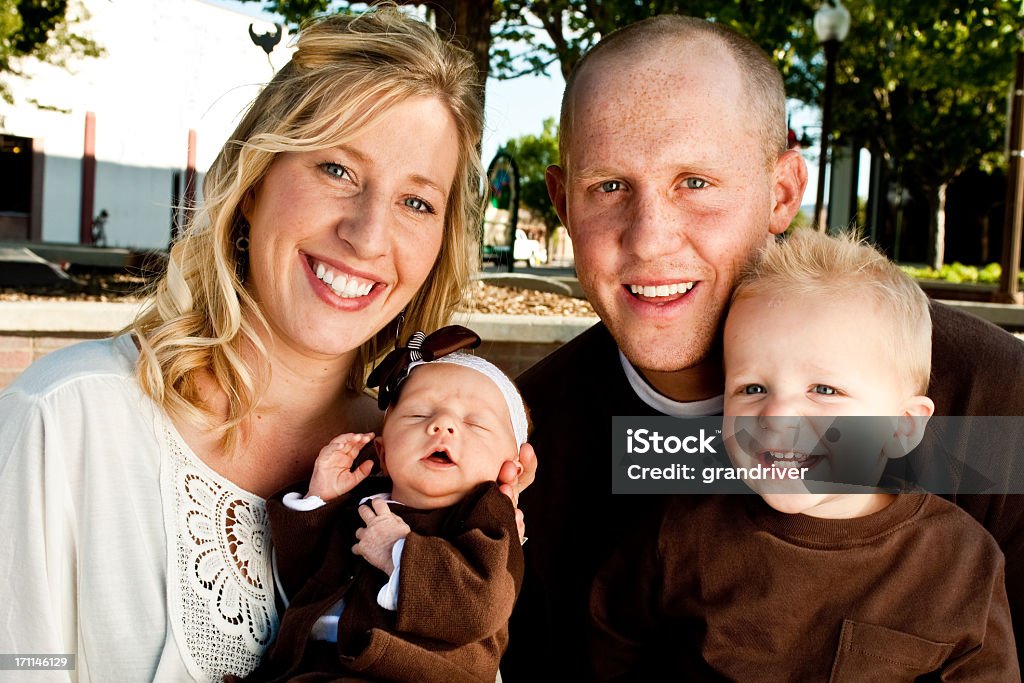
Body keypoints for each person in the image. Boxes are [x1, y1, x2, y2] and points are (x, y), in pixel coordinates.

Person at [0, 8, 532, 682]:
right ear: (254, 182)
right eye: (337, 169)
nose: (368, 236)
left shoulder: (436, 472)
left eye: (416, 202)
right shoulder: (67, 420)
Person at [504, 14, 1024, 679]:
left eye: (695, 182)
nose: (649, 238)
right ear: (561, 203)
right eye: (608, 186)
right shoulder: (527, 441)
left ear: (781, 193)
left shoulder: (987, 395)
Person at [591, 229, 1019, 681]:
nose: (777, 416)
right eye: (752, 388)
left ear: (903, 426)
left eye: (824, 390)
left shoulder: (960, 563)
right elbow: (614, 640)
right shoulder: (681, 536)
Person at [238, 327, 528, 682]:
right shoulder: (364, 503)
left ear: (511, 466)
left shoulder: (487, 520)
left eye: (475, 423)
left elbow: (482, 605)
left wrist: (398, 550)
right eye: (418, 415)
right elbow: (305, 573)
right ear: (384, 452)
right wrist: (319, 499)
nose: (443, 426)